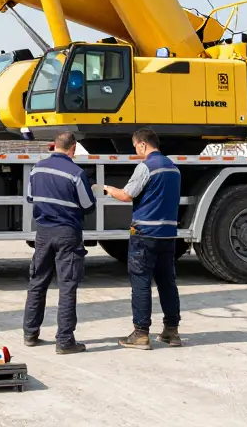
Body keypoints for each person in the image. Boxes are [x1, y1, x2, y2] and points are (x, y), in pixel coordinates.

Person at [102, 128, 182, 349]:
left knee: (141, 282)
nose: (135, 150)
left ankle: (140, 333)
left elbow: (126, 195)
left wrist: (108, 189)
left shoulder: (146, 167)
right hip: (168, 234)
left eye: (136, 146)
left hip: (145, 234)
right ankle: (172, 331)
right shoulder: (173, 168)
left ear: (143, 145)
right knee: (167, 282)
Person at [22, 131, 96, 354]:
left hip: (43, 232)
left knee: (37, 282)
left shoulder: (37, 169)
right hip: (67, 233)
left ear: (54, 146)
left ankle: (30, 334)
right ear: (73, 148)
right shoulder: (76, 173)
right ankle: (65, 341)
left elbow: (30, 197)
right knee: (67, 285)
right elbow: (88, 206)